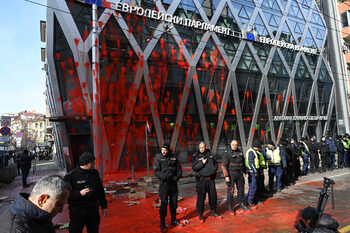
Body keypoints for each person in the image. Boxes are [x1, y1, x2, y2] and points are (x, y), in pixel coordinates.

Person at [0, 175, 70, 233]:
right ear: (42, 200)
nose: (61, 210)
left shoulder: (41, 217)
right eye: (59, 204)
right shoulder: (14, 230)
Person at [64, 152, 107, 233]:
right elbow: (66, 195)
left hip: (93, 210)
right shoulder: (70, 176)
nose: (94, 164)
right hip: (78, 211)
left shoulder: (94, 173)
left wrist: (104, 205)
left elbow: (100, 190)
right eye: (92, 163)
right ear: (86, 163)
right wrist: (79, 193)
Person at [153, 143, 182, 232]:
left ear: (168, 150)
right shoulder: (158, 158)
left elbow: (179, 169)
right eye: (162, 150)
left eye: (165, 150)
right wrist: (165, 177)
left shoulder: (174, 157)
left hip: (173, 183)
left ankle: (173, 219)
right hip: (164, 184)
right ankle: (162, 222)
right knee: (164, 203)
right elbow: (156, 171)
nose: (164, 152)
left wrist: (176, 177)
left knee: (174, 202)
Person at [192, 141, 221, 222]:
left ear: (206, 147)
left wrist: (212, 171)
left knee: (213, 197)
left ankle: (213, 211)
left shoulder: (211, 155)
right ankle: (201, 215)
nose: (201, 149)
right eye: (200, 148)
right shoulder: (196, 156)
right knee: (201, 198)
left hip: (210, 179)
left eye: (203, 147)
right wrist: (202, 163)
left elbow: (216, 165)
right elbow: (194, 167)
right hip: (201, 180)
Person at [221, 140, 250, 214]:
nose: (235, 146)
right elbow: (224, 165)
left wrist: (246, 172)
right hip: (231, 174)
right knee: (231, 191)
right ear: (231, 145)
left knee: (241, 190)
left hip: (240, 174)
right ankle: (230, 206)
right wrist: (226, 176)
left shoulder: (240, 152)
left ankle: (242, 204)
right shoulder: (227, 153)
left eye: (236, 145)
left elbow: (243, 163)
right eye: (233, 145)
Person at [245, 140, 263, 208]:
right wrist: (255, 171)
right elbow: (251, 163)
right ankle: (250, 201)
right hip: (252, 172)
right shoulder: (251, 152)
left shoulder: (254, 151)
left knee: (256, 186)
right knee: (253, 187)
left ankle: (254, 199)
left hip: (254, 171)